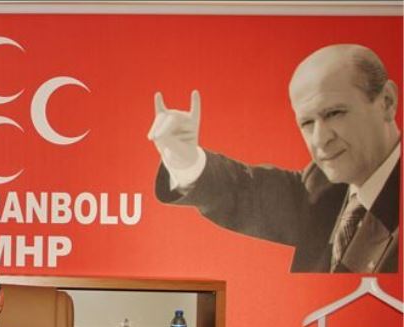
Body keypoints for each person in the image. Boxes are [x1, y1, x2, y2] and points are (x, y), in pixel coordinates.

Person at [148, 44, 399, 273]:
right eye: (307, 123)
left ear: (387, 102)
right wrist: (185, 159)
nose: (320, 139)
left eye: (335, 113)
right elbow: (243, 190)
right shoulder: (320, 185)